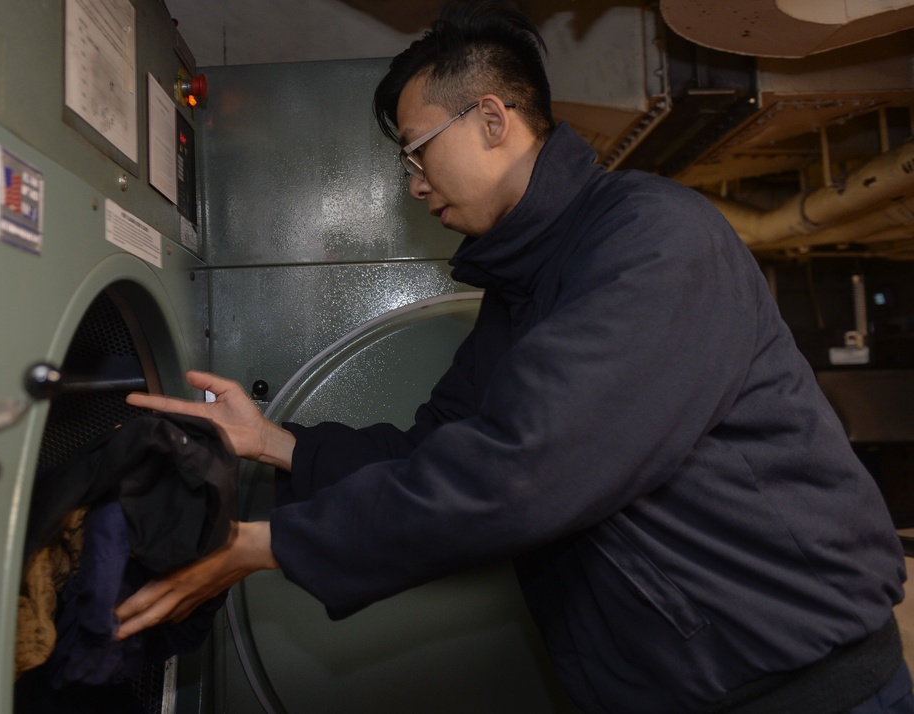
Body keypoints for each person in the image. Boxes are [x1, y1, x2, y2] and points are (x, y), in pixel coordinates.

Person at [115, 2, 912, 711]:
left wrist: (263, 546)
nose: (415, 184)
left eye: (418, 151)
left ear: (493, 120)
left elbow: (523, 470)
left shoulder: (655, 242)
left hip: (804, 686)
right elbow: (439, 453)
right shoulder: (525, 285)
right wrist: (272, 441)